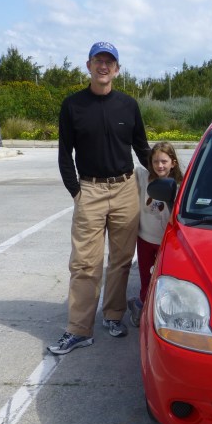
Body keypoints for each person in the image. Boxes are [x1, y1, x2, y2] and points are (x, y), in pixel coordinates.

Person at [48, 41, 150, 355]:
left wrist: (172, 176)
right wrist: (76, 192)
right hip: (89, 190)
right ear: (89, 65)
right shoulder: (73, 105)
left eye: (109, 61)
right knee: (84, 264)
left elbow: (142, 148)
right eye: (98, 61)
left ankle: (114, 316)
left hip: (124, 189)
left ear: (117, 69)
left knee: (120, 262)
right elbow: (65, 154)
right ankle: (79, 329)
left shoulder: (128, 105)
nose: (103, 66)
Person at [127, 141, 183, 326]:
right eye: (156, 161)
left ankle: (165, 313)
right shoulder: (144, 177)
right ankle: (143, 308)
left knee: (166, 280)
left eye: (164, 161)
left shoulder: (180, 185)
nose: (160, 165)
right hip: (145, 239)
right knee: (146, 277)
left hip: (167, 242)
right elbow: (128, 163)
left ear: (173, 163)